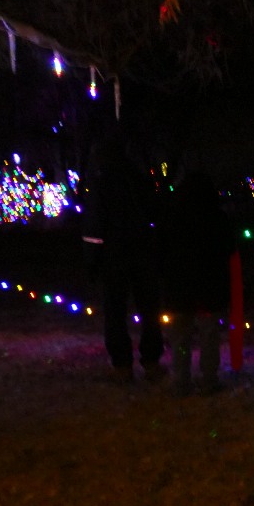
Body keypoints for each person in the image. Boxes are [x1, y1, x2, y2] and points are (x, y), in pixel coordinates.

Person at [82, 123, 165, 383]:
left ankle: (123, 366)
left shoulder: (102, 178)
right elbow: (154, 212)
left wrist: (92, 261)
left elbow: (94, 224)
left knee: (116, 314)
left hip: (114, 257)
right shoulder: (137, 175)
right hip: (140, 253)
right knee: (149, 310)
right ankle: (150, 361)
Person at [161, 172, 236, 396]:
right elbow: (229, 249)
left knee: (181, 336)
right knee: (209, 335)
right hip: (209, 288)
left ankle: (181, 381)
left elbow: (160, 250)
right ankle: (208, 380)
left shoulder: (171, 217)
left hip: (179, 288)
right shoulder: (218, 218)